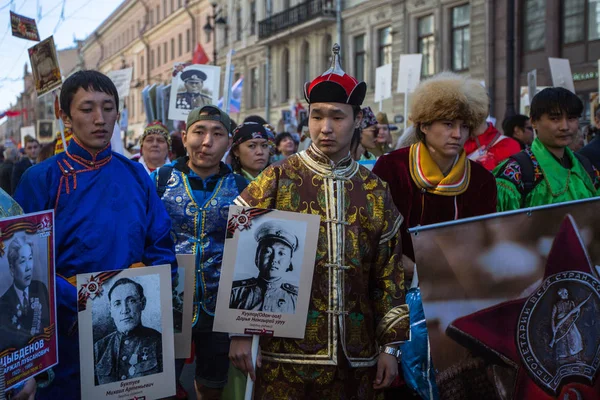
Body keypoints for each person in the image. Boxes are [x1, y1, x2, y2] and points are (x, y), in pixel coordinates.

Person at [229, 44, 409, 399]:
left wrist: (391, 347)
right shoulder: (277, 179)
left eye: (337, 117)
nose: (325, 128)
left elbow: (388, 274)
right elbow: (241, 251)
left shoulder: (375, 189)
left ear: (358, 119)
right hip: (284, 353)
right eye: (316, 116)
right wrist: (239, 330)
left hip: (356, 353)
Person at [13, 70, 176, 399]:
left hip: (129, 325)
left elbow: (161, 246)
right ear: (65, 116)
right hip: (61, 332)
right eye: (87, 109)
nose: (100, 119)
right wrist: (75, 297)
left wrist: (149, 281)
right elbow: (21, 260)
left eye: (108, 108)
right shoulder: (40, 178)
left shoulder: (135, 175)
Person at [152, 105, 247, 400]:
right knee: (161, 385)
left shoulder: (243, 187)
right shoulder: (159, 180)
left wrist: (242, 327)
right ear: (184, 136)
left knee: (210, 384)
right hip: (168, 303)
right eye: (199, 132)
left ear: (229, 142)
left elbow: (248, 253)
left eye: (217, 134)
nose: (207, 141)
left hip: (221, 308)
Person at [373, 72, 496, 269]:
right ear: (424, 126)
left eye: (464, 126)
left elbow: (483, 244)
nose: (457, 134)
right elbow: (374, 233)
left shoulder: (481, 180)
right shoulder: (391, 168)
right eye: (448, 124)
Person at [494, 87, 599, 212]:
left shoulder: (586, 167)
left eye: (571, 118)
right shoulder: (515, 172)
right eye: (555, 119)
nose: (565, 127)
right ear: (533, 122)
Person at [94, 278, 162, 385]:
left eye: (132, 301)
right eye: (117, 303)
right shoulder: (99, 349)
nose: (125, 310)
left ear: (143, 303)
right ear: (110, 309)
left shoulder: (159, 342)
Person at [229, 221, 299, 314]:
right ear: (257, 257)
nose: (274, 259)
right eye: (267, 251)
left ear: (289, 262)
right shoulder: (235, 292)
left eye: (281, 253)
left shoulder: (296, 298)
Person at [0, 237, 50, 350]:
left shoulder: (40, 288)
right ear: (12, 269)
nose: (29, 267)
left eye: (30, 259)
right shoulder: (2, 304)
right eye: (22, 261)